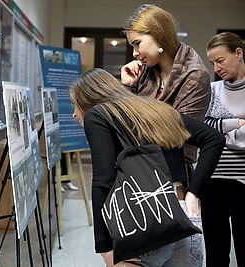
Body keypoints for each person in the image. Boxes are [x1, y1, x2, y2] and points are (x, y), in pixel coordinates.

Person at [69, 68, 225, 267]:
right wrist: (193, 192)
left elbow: (102, 180)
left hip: (145, 223)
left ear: (88, 100)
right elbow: (214, 138)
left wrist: (104, 247)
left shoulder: (97, 114)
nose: (74, 114)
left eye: (75, 105)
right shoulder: (157, 109)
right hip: (184, 218)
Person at [120, 4, 211, 188]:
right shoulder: (145, 72)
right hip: (138, 169)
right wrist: (128, 87)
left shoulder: (194, 75)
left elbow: (177, 134)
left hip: (172, 177)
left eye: (137, 43)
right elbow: (125, 122)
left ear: (158, 32)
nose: (135, 53)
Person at [202, 32, 245, 267]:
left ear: (238, 53)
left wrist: (221, 132)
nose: (217, 67)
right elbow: (203, 130)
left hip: (243, 180)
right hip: (213, 178)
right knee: (215, 253)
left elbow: (214, 133)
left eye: (220, 60)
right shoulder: (212, 90)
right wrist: (238, 123)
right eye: (212, 63)